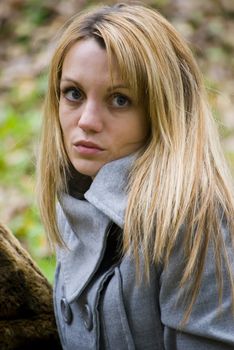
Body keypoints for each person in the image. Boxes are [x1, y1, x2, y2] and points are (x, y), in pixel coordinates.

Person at [36, 3, 234, 349]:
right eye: (74, 94)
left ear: (161, 109)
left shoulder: (192, 215)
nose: (87, 120)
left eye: (120, 100)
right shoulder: (75, 192)